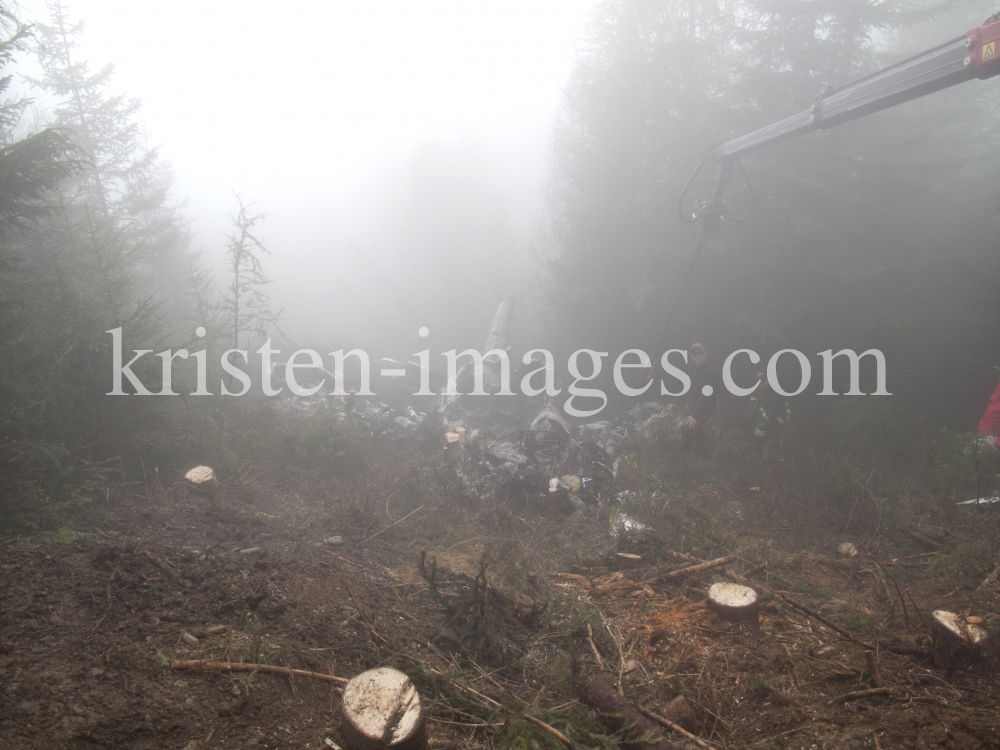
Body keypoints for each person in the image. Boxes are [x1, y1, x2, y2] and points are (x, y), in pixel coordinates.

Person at [681, 343, 720, 449]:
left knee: (687, 428)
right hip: (695, 406)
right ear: (691, 356)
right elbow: (691, 390)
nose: (698, 356)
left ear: (705, 353)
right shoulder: (693, 368)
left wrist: (694, 415)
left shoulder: (711, 372)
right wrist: (687, 404)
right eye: (695, 354)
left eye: (700, 353)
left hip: (707, 409)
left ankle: (698, 454)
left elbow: (705, 397)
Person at [749, 374, 790, 440]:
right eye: (759, 383)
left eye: (764, 382)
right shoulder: (760, 389)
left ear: (768, 381)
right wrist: (754, 407)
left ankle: (759, 445)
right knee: (748, 417)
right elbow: (754, 398)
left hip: (780, 417)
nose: (761, 385)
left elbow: (771, 413)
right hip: (764, 413)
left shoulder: (775, 392)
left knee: (762, 424)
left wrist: (757, 414)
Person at [977, 368, 1000, 447]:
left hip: (993, 440)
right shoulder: (996, 397)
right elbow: (988, 419)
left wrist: (997, 446)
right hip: (984, 436)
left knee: (967, 455)